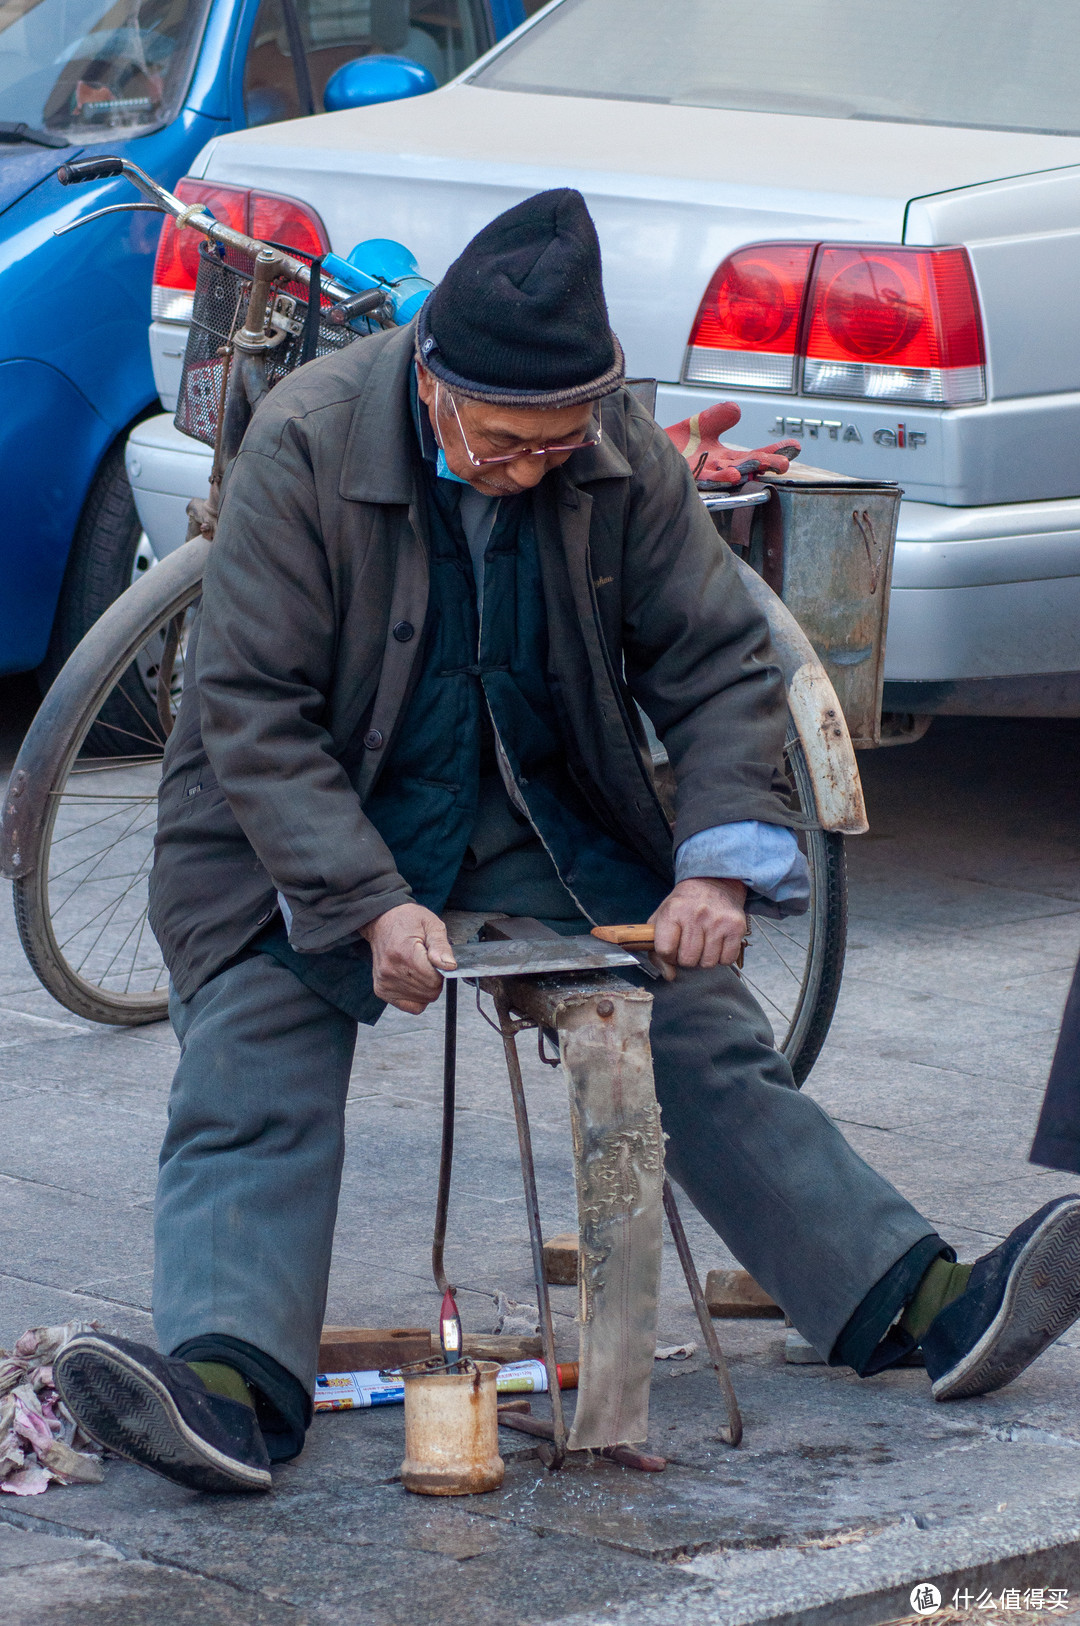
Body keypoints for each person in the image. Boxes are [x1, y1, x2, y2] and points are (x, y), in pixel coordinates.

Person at [55, 190, 1080, 1493]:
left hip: (529, 809)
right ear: (433, 384)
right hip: (295, 831)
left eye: (556, 441)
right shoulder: (305, 446)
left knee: (699, 1034)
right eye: (502, 441)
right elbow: (252, 716)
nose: (531, 464)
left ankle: (919, 1302)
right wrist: (370, 903)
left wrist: (715, 857)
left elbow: (716, 662)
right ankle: (228, 1387)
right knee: (257, 1053)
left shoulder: (616, 453)